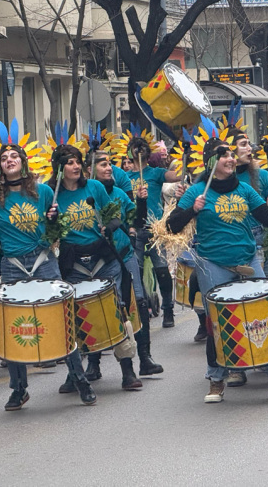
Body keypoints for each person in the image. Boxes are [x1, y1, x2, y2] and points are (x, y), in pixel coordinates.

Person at [166, 136, 268, 403]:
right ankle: (216, 380)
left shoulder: (244, 189)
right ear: (211, 162)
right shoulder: (197, 192)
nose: (230, 158)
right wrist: (191, 211)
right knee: (217, 322)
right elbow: (173, 226)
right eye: (223, 155)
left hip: (249, 260)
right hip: (213, 264)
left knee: (267, 313)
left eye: (231, 154)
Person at [0, 123, 95, 409]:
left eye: (14, 157)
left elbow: (55, 230)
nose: (9, 161)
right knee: (13, 329)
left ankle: (79, 378)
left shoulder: (43, 191)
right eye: (4, 159)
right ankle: (19, 388)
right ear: (0, 167)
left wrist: (54, 218)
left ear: (23, 162)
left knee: (61, 319)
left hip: (43, 260)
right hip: (12, 265)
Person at [51, 140, 144, 392]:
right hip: (73, 263)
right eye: (69, 162)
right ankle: (77, 372)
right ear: (58, 168)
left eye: (78, 161)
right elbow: (47, 230)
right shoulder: (52, 193)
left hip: (103, 257)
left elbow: (114, 213)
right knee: (77, 317)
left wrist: (111, 225)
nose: (76, 166)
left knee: (117, 310)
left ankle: (128, 370)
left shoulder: (94, 187)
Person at [90, 150, 163, 377]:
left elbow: (136, 220)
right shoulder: (83, 195)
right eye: (103, 164)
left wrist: (140, 203)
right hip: (94, 260)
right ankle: (93, 364)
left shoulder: (121, 193)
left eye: (110, 163)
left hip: (124, 254)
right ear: (90, 170)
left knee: (138, 302)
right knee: (95, 308)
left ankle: (145, 357)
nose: (109, 167)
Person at [119, 126, 181, 328]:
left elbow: (175, 175)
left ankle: (168, 309)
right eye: (134, 149)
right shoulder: (124, 178)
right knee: (135, 270)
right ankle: (141, 307)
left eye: (141, 148)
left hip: (155, 228)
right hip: (134, 228)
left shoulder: (155, 173)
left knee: (162, 270)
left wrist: (185, 156)